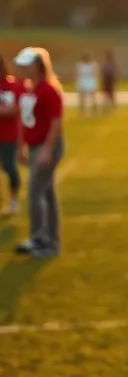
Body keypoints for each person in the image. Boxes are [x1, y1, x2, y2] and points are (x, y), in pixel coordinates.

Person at [13, 47, 65, 258]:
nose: (22, 69)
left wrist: (47, 149)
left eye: (26, 65)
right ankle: (49, 240)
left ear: (37, 67)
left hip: (46, 146)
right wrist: (20, 147)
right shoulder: (28, 90)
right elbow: (23, 121)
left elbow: (56, 122)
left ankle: (40, 239)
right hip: (35, 146)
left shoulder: (49, 90)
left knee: (36, 192)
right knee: (47, 194)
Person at [0, 56, 25, 216]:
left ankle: (14, 200)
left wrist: (6, 111)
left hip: (9, 136)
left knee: (9, 167)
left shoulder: (13, 86)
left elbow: (14, 110)